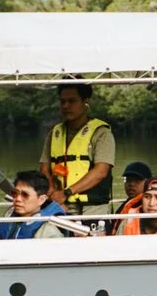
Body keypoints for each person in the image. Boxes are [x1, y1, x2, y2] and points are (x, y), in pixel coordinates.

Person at [44, 82, 114, 212]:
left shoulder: (101, 133)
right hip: (59, 204)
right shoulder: (54, 133)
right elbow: (44, 168)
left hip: (92, 206)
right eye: (62, 101)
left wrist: (67, 193)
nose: (66, 106)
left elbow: (101, 171)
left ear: (85, 102)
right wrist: (52, 192)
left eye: (72, 101)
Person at [0, 170, 76, 239]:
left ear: (41, 199)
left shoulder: (49, 231)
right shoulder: (8, 218)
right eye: (15, 193)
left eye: (25, 195)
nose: (18, 199)